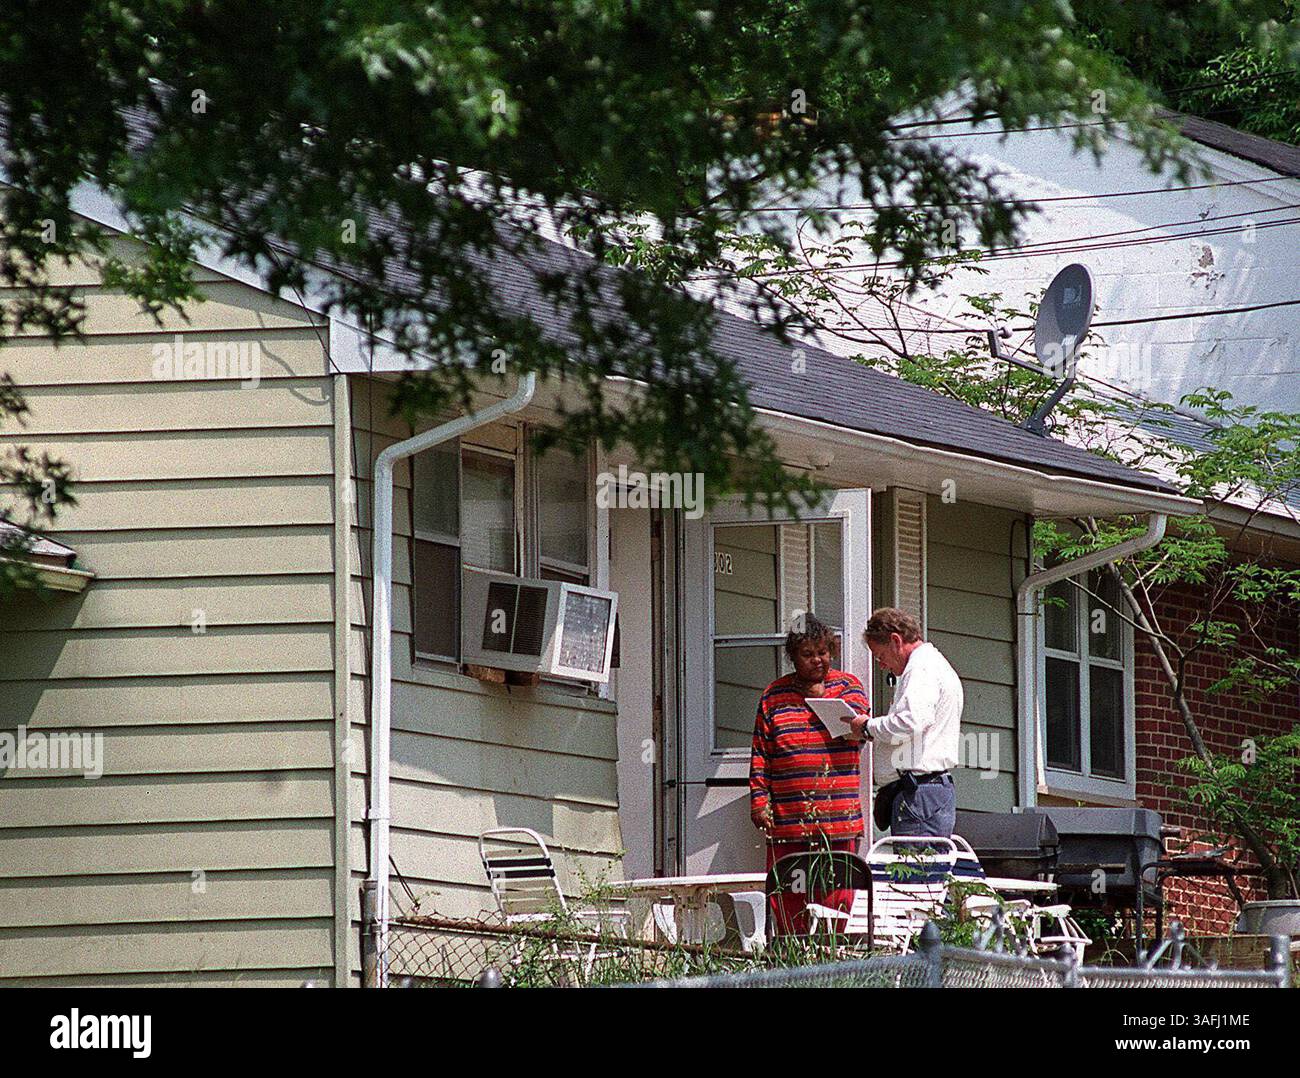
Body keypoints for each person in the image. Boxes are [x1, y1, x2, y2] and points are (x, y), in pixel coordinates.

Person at [749, 614, 870, 933]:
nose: (818, 659)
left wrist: (841, 713)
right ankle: (793, 953)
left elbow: (862, 728)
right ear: (793, 657)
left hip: (837, 816)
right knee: (789, 890)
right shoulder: (774, 696)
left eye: (823, 652)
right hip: (789, 819)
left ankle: (829, 959)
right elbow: (761, 752)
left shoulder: (848, 687)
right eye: (808, 654)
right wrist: (760, 801)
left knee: (836, 889)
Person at [848, 607, 962, 838]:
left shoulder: (921, 668)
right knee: (924, 870)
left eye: (880, 656)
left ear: (895, 641)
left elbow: (910, 722)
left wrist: (866, 727)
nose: (881, 665)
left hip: (919, 794)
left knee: (917, 870)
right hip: (922, 792)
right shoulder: (930, 664)